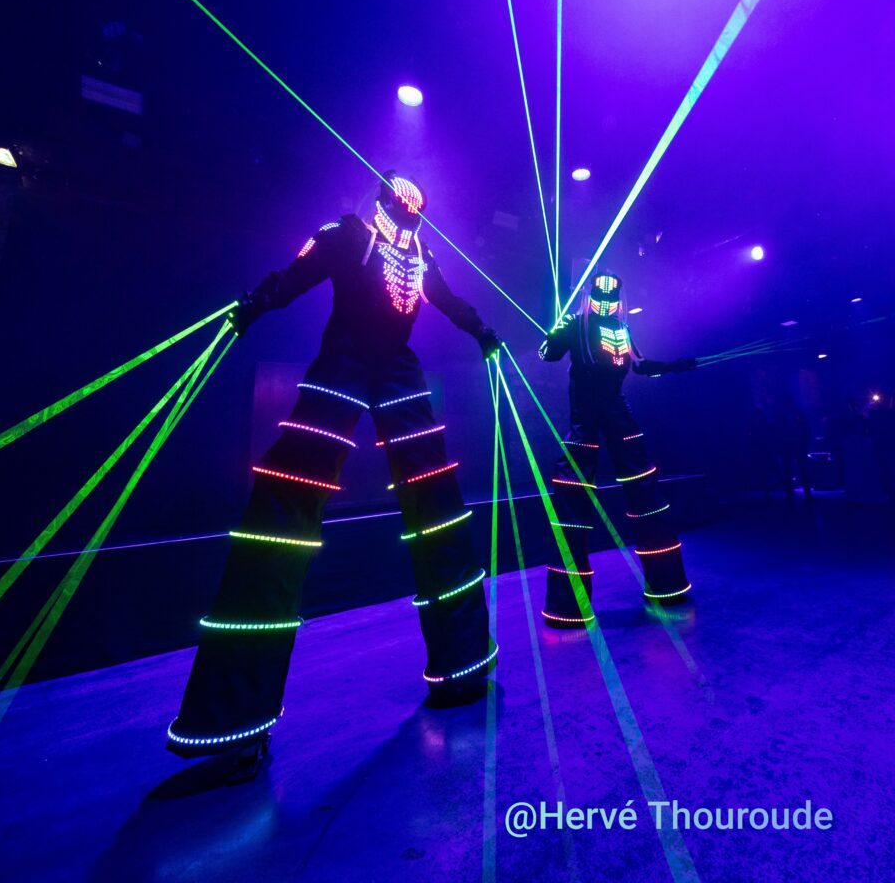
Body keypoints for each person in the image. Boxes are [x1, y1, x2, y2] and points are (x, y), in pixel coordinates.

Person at [167, 172, 502, 776]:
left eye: (414, 214)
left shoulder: (421, 253)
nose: (407, 220)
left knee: (440, 513)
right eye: (400, 209)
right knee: (281, 514)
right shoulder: (347, 233)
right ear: (381, 202)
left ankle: (464, 665)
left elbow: (448, 300)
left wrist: (482, 331)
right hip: (342, 364)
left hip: (398, 373)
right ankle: (232, 720)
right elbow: (297, 274)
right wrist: (253, 305)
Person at [537, 272, 695, 625]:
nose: (606, 303)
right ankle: (568, 605)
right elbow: (547, 354)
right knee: (572, 501)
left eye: (612, 297)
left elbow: (639, 365)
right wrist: (556, 329)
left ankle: (667, 584)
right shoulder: (575, 323)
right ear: (590, 296)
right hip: (585, 418)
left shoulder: (622, 327)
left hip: (617, 413)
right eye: (600, 297)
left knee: (645, 493)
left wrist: (674, 366)